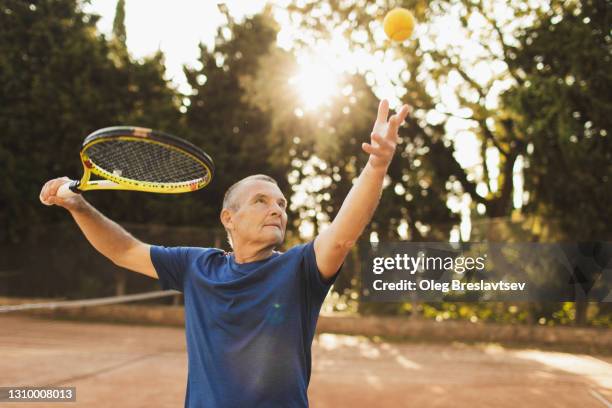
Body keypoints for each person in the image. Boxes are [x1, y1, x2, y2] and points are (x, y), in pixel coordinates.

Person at [39, 100, 410, 407]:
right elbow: (124, 250)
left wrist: (377, 166)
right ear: (228, 219)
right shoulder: (197, 266)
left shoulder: (299, 270)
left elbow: (341, 238)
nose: (277, 209)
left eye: (281, 203)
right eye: (261, 201)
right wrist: (79, 207)